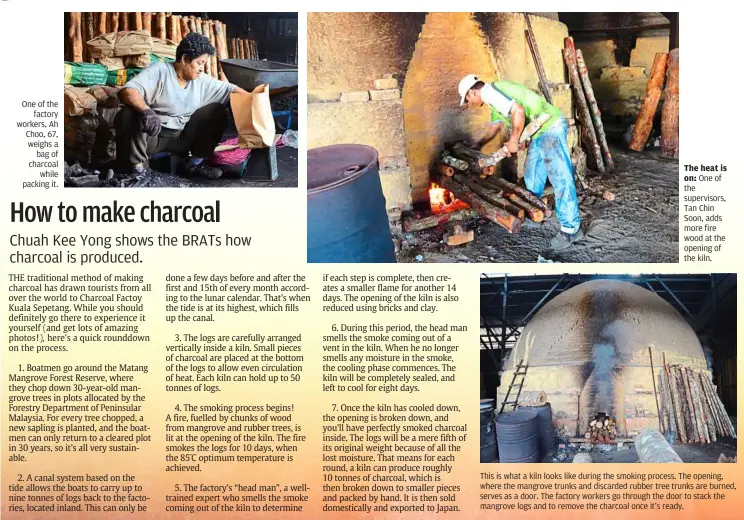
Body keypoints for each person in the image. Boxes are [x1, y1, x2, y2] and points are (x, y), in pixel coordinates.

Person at [458, 74, 583, 251]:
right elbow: (495, 126)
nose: (469, 103)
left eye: (467, 99)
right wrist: (477, 145)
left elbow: (519, 112)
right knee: (532, 175)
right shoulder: (493, 100)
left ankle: (571, 230)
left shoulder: (491, 91)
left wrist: (514, 140)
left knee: (560, 178)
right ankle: (535, 212)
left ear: (471, 92)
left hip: (549, 128)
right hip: (537, 134)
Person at [115, 33, 248, 180]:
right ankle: (137, 171)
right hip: (152, 136)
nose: (202, 68)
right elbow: (128, 91)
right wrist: (146, 111)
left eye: (204, 64)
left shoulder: (201, 80)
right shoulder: (160, 71)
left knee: (217, 111)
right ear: (185, 59)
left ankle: (193, 165)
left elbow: (231, 90)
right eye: (199, 63)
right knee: (128, 113)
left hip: (181, 138)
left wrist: (255, 101)